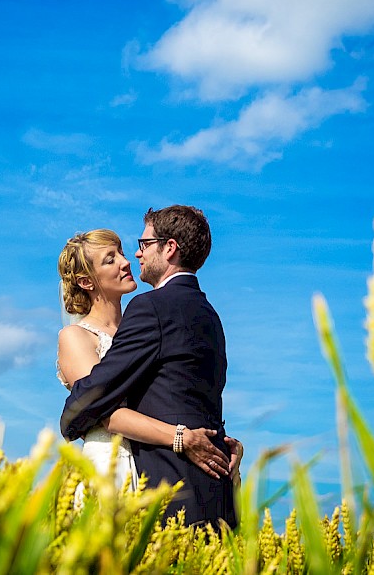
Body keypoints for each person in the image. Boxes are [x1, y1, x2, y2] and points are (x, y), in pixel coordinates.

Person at [60, 207, 238, 529]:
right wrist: (182, 437)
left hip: (162, 474)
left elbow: (180, 394)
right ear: (87, 281)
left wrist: (215, 441)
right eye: (111, 259)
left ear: (169, 248)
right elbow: (102, 407)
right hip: (114, 465)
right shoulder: (207, 314)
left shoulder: (149, 314)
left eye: (135, 248)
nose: (130, 259)